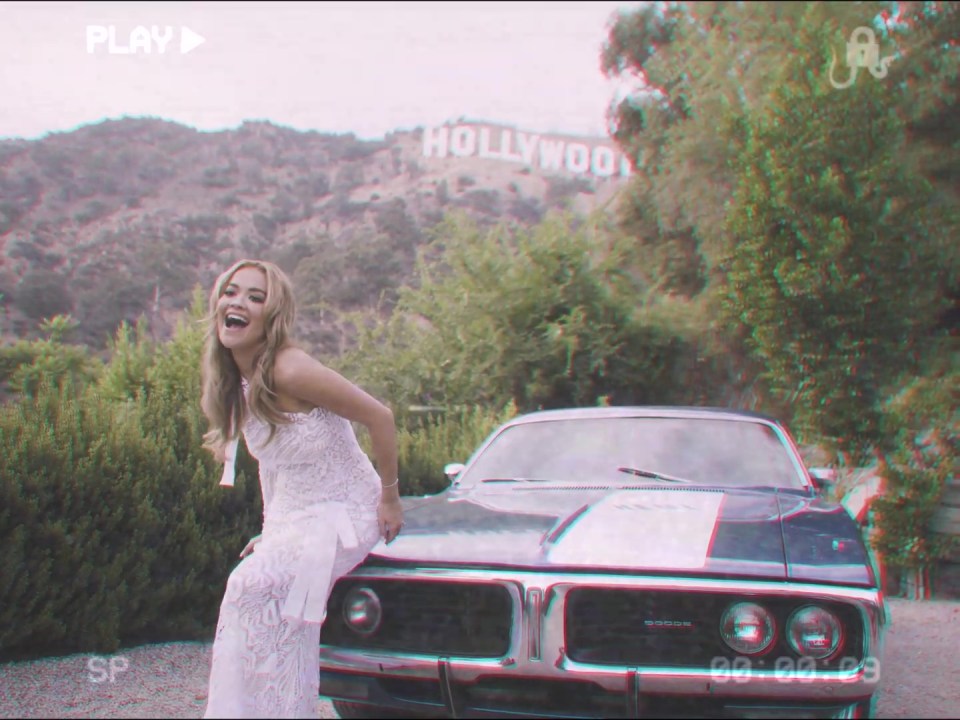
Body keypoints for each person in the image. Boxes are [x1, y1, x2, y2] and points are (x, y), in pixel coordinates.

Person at [200, 259, 403, 719]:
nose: (239, 302)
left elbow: (381, 417)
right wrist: (273, 535)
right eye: (232, 292)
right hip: (295, 515)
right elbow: (273, 470)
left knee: (250, 584)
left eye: (256, 297)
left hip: (346, 511)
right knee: (254, 589)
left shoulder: (291, 370)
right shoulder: (235, 381)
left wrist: (389, 498)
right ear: (217, 303)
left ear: (272, 316)